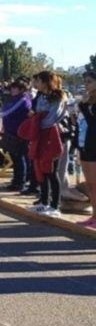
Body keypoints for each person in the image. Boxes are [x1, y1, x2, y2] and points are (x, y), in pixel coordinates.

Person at [26, 71, 67, 217]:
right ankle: (44, 202)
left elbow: (52, 118)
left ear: (46, 82)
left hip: (53, 135)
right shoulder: (40, 96)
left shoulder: (57, 96)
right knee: (40, 169)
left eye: (38, 81)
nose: (36, 84)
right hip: (40, 136)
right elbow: (35, 113)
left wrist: (36, 120)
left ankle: (55, 205)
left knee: (51, 171)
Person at [1, 81, 33, 192]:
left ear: (21, 89)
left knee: (20, 158)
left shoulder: (24, 100)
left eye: (14, 88)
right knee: (15, 159)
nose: (12, 90)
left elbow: (7, 113)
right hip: (11, 132)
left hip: (19, 133)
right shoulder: (13, 99)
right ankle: (16, 180)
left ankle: (20, 182)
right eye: (11, 88)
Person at [76, 71, 96, 228]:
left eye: (89, 81)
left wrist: (83, 107)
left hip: (93, 145)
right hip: (84, 144)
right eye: (85, 82)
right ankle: (93, 216)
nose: (86, 85)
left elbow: (93, 123)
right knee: (90, 185)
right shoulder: (88, 101)